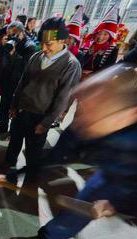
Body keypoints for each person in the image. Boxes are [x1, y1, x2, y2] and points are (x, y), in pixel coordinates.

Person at [0, 64, 137, 239]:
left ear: (129, 114)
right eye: (84, 109)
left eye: (96, 116)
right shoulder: (88, 121)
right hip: (113, 172)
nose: (83, 123)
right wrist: (12, 175)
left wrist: (122, 206)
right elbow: (55, 157)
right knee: (85, 202)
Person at [5, 17, 81, 180]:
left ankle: (31, 178)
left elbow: (63, 98)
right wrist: (14, 104)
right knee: (14, 142)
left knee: (33, 150)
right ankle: (9, 167)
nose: (44, 48)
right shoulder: (36, 57)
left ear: (62, 40)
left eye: (49, 44)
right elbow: (22, 82)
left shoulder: (70, 65)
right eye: (42, 43)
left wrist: (46, 123)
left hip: (40, 117)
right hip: (22, 110)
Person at [0, 22, 36, 133]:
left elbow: (25, 67)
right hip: (6, 79)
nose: (10, 38)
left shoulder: (30, 46)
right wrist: (1, 45)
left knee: (14, 108)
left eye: (12, 35)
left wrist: (14, 54)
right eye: (9, 35)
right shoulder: (8, 42)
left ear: (20, 32)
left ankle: (12, 131)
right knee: (3, 105)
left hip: (18, 83)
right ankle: (3, 125)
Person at [80, 5, 119, 76]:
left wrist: (91, 75)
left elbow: (108, 68)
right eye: (99, 33)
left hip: (96, 78)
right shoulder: (88, 43)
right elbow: (79, 59)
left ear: (110, 36)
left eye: (105, 34)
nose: (101, 36)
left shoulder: (113, 48)